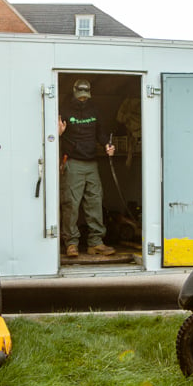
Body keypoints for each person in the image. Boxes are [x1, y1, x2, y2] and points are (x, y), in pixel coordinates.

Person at [59, 79, 116, 257]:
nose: (82, 99)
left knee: (95, 201)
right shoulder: (64, 109)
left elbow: (100, 132)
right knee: (71, 204)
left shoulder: (94, 109)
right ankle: (71, 243)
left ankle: (96, 242)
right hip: (73, 162)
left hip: (92, 162)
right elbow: (52, 137)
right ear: (74, 92)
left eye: (85, 97)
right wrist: (58, 133)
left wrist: (107, 144)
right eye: (80, 96)